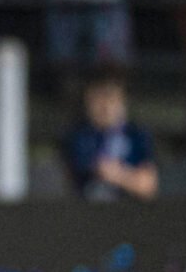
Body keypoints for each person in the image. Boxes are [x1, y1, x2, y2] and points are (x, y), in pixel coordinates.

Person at [63, 70, 158, 201]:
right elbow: (75, 177)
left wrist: (118, 175)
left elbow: (147, 186)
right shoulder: (78, 136)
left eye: (110, 97)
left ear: (123, 101)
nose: (105, 105)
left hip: (130, 212)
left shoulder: (137, 135)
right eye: (98, 98)